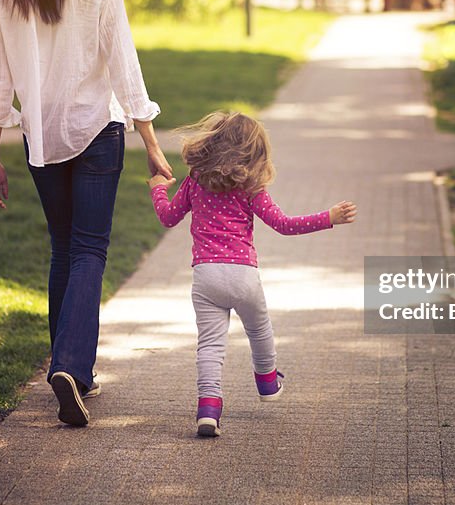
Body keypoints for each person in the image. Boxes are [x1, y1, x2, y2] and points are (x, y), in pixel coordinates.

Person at [0, 0, 173, 427]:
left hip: (40, 135)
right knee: (89, 250)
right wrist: (150, 139)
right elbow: (123, 61)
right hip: (98, 129)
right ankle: (70, 364)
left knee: (64, 247)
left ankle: (69, 367)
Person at [147, 112, 357, 437]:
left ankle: (208, 408)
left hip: (205, 276)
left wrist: (158, 187)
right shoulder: (250, 188)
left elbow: (167, 217)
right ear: (254, 153)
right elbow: (284, 225)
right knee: (259, 331)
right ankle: (268, 383)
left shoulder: (195, 180)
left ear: (211, 143)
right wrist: (328, 217)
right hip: (243, 276)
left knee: (210, 346)